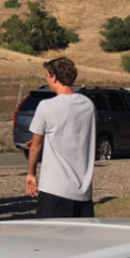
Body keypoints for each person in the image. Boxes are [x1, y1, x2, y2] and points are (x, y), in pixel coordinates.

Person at [25, 57, 96, 218]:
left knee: (49, 241)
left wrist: (31, 173)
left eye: (47, 77)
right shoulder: (88, 106)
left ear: (54, 77)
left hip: (54, 189)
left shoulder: (46, 106)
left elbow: (35, 146)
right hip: (82, 191)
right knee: (78, 242)